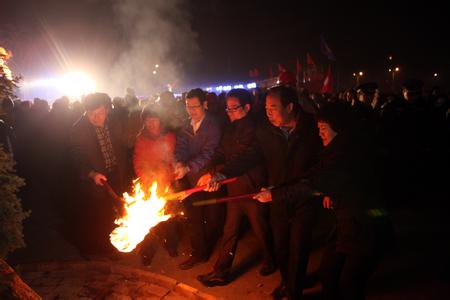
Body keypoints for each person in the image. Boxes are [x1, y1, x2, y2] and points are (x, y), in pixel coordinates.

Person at [255, 101, 394, 299]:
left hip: (367, 228)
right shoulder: (338, 149)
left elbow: (314, 185)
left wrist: (274, 195)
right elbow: (312, 175)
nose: (320, 134)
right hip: (348, 223)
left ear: (339, 128)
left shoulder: (350, 154)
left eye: (323, 129)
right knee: (329, 272)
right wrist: (277, 188)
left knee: (350, 282)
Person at [206, 85, 322, 299]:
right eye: (266, 108)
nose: (268, 113)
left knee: (297, 248)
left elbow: (317, 174)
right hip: (276, 195)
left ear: (290, 106)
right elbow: (249, 155)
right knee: (281, 247)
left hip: (304, 199)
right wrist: (223, 174)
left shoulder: (313, 130)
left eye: (274, 108)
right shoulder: (266, 131)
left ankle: (294, 292)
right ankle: (288, 282)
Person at [196, 89, 276, 287]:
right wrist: (209, 170)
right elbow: (221, 152)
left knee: (261, 228)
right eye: (227, 108)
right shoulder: (230, 129)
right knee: (229, 230)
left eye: (234, 108)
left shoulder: (257, 129)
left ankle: (272, 259)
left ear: (247, 107)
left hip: (253, 189)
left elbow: (246, 158)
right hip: (234, 191)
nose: (229, 112)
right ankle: (220, 272)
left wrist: (221, 175)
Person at [69, 93, 128, 258]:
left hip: (116, 174)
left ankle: (120, 242)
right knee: (100, 216)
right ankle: (103, 249)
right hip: (95, 180)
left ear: (107, 110)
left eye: (100, 113)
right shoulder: (78, 130)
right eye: (91, 114)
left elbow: (124, 146)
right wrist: (91, 173)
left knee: (119, 210)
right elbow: (76, 158)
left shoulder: (115, 122)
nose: (95, 118)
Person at [174, 88, 225, 270]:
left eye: (195, 106)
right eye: (188, 107)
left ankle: (208, 248)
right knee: (194, 218)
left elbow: (209, 153)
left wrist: (188, 167)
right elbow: (180, 146)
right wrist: (179, 162)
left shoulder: (213, 125)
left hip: (207, 178)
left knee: (212, 218)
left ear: (205, 104)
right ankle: (199, 253)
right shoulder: (186, 125)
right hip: (188, 178)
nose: (191, 111)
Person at [133, 104, 180, 265]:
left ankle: (171, 245)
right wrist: (146, 176)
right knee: (148, 221)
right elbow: (138, 161)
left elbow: (174, 159)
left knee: (169, 219)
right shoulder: (141, 138)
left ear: (160, 120)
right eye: (148, 120)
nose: (151, 124)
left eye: (154, 120)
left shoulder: (170, 137)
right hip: (148, 185)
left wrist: (168, 174)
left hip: (167, 184)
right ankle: (146, 251)